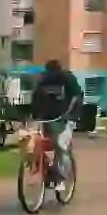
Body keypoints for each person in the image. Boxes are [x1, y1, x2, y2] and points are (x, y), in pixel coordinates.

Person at [29, 60, 82, 193]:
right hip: (49, 117)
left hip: (68, 118)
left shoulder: (67, 78)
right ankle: (48, 170)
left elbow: (76, 97)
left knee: (60, 144)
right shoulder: (43, 81)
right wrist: (33, 113)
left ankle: (61, 178)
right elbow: (36, 98)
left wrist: (69, 113)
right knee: (42, 143)